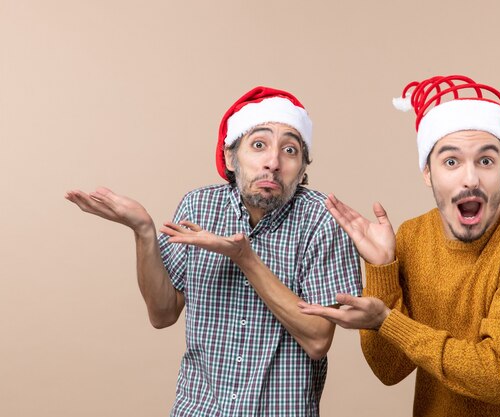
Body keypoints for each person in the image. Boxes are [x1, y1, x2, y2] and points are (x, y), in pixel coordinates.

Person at [65, 86, 362, 416]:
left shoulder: (322, 218)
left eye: (290, 150)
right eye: (259, 145)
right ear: (231, 158)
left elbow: (318, 339)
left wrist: (245, 258)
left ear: (302, 168)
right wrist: (144, 232)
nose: (273, 162)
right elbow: (162, 315)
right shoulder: (198, 206)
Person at [298, 75, 500, 416]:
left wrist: (387, 320)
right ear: (428, 172)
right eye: (451, 162)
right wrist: (382, 268)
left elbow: (495, 377)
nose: (470, 178)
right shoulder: (413, 238)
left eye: (486, 161)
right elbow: (389, 369)